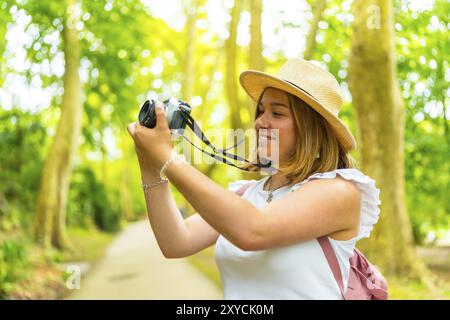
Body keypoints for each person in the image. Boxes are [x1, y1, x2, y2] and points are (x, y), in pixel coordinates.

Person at [126, 58, 381, 299]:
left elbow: (252, 231)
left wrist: (167, 158)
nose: (260, 122)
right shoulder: (245, 194)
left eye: (277, 113)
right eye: (261, 111)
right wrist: (148, 162)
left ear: (310, 128)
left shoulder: (340, 191)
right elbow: (176, 242)